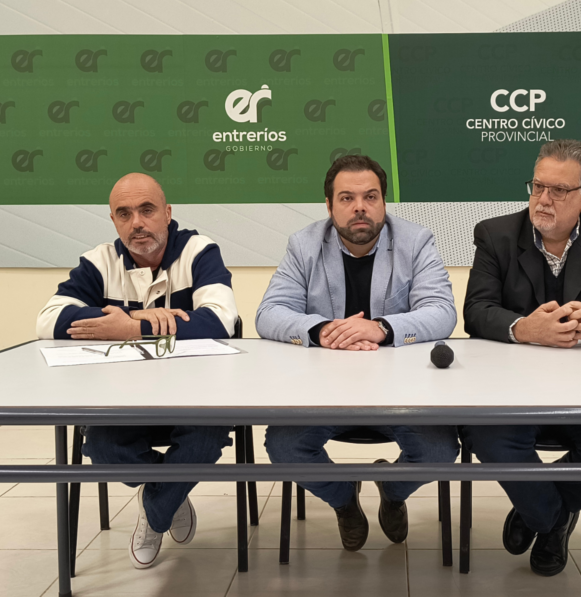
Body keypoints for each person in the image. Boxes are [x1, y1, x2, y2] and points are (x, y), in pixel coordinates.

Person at [462, 139, 581, 577]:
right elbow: (476, 310)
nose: (543, 199)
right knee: (483, 435)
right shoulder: (495, 235)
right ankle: (553, 519)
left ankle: (536, 511)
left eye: (559, 190)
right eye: (538, 186)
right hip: (513, 393)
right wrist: (525, 329)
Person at [256, 154, 459, 551]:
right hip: (323, 392)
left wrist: (381, 327)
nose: (360, 207)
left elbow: (442, 312)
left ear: (383, 202)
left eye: (370, 196)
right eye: (347, 198)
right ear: (329, 205)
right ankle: (343, 497)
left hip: (401, 393)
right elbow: (269, 313)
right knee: (284, 446)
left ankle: (392, 490)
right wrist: (323, 330)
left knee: (439, 449)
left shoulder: (416, 241)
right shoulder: (304, 244)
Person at [36, 172, 239, 570]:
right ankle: (172, 493)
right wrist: (138, 317)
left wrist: (132, 328)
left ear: (167, 213)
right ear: (113, 220)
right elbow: (48, 320)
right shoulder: (100, 261)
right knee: (104, 449)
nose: (137, 223)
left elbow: (220, 321)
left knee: (205, 440)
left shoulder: (198, 251)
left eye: (147, 210)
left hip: (197, 395)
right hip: (122, 397)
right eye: (124, 214)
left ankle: (157, 509)